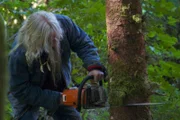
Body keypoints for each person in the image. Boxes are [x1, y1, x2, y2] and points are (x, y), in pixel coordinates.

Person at [8, 11, 106, 120]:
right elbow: (20, 90)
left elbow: (83, 43)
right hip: (27, 91)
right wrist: (58, 98)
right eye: (50, 41)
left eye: (57, 38)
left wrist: (94, 66)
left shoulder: (64, 23)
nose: (55, 43)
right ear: (36, 39)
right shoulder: (18, 53)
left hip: (56, 83)